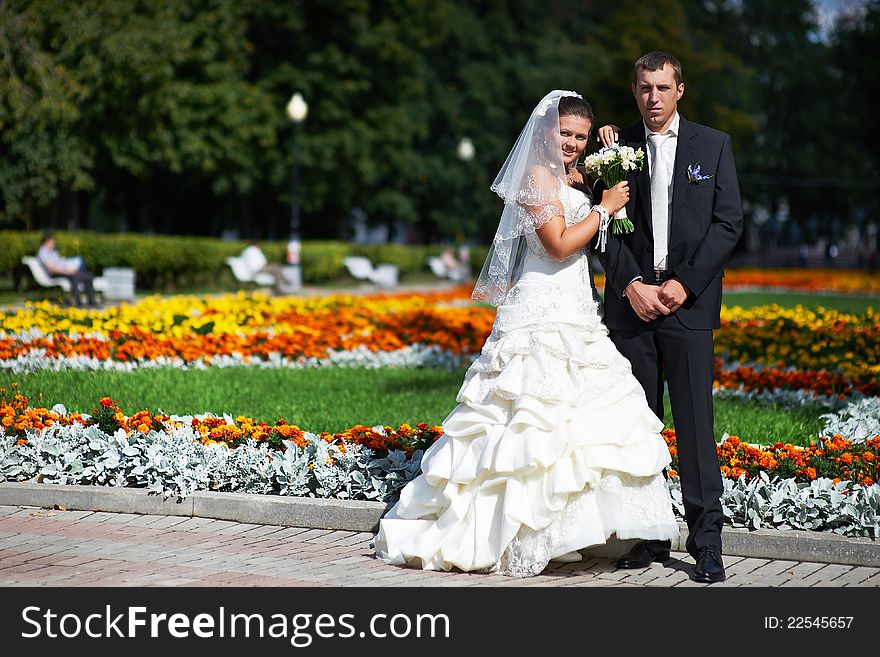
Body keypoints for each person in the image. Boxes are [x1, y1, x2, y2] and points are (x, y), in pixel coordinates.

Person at [373, 90, 680, 577]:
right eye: (565, 133)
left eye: (580, 136)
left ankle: (568, 529)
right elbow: (558, 246)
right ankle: (512, 529)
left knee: (577, 418)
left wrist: (606, 157)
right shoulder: (536, 176)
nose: (573, 144)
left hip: (577, 305)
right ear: (545, 132)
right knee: (530, 419)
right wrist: (602, 208)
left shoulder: (573, 176)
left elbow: (611, 194)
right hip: (541, 305)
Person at [595, 52, 744, 583]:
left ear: (680, 89)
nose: (652, 97)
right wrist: (631, 284)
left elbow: (728, 224)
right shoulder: (615, 149)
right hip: (633, 306)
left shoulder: (713, 145)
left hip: (689, 305)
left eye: (662, 87)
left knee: (695, 429)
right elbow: (604, 227)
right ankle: (650, 534)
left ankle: (707, 543)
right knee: (639, 427)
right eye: (643, 88)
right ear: (634, 92)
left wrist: (684, 284)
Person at [37, 231, 99, 308]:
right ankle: (78, 302)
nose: (54, 243)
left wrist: (69, 269)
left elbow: (61, 263)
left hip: (63, 270)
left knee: (88, 276)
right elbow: (52, 268)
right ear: (47, 241)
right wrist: (67, 271)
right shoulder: (43, 252)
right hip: (55, 273)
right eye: (53, 241)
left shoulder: (52, 251)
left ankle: (91, 301)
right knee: (75, 276)